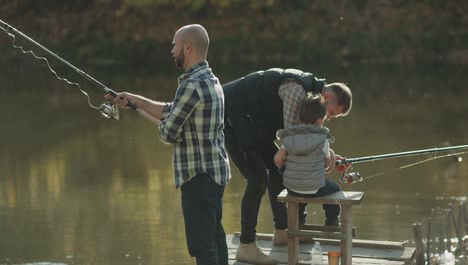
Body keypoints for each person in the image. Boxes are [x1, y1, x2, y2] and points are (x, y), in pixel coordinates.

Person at [107, 24, 231, 265]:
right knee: (215, 236)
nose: (172, 50)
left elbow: (168, 132)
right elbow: (171, 110)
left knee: (202, 245)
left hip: (197, 177)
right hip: (214, 174)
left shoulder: (191, 85)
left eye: (174, 45)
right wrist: (136, 101)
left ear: (187, 47)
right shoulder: (210, 80)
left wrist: (146, 117)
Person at [222, 68, 352, 264]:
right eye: (332, 113)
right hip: (234, 118)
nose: (330, 119)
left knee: (277, 172)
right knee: (257, 180)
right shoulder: (295, 92)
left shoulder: (308, 95)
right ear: (325, 97)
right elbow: (294, 141)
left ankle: (282, 231)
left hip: (255, 127)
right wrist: (325, 157)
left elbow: (300, 143)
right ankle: (246, 246)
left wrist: (330, 156)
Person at [274, 93, 341, 226]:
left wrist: (284, 166)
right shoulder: (322, 137)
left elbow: (277, 159)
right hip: (316, 186)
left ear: (300, 117)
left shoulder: (289, 136)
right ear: (320, 120)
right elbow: (327, 165)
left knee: (300, 193)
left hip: (292, 187)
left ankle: (299, 222)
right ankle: (331, 220)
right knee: (335, 188)